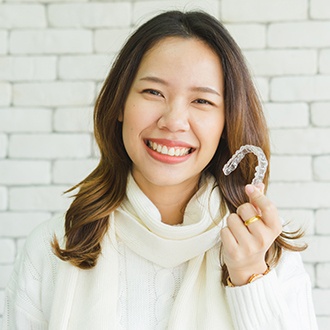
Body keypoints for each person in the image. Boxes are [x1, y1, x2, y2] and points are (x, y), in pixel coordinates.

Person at [3, 10, 317, 330]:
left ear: (226, 122)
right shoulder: (52, 249)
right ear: (120, 104)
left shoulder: (269, 255)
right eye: (153, 92)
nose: (173, 121)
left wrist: (250, 278)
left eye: (202, 101)